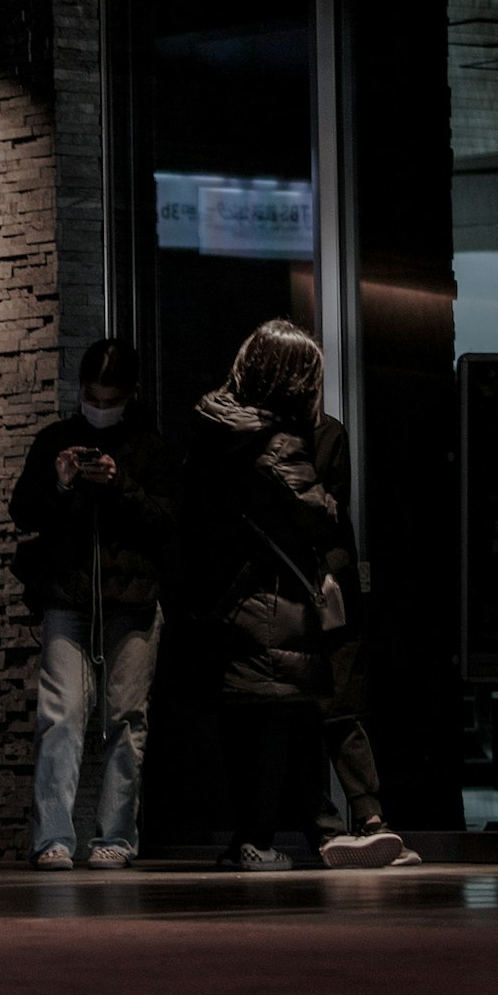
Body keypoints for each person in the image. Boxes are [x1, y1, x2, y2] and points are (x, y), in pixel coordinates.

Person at [181, 318, 420, 870]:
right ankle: (313, 832)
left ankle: (306, 830)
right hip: (283, 600)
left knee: (268, 723)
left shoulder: (213, 430)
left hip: (232, 604)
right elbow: (321, 517)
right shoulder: (287, 441)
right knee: (296, 715)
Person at [8, 338, 175, 869]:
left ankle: (116, 837)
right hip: (68, 596)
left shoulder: (151, 448)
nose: (99, 408)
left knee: (127, 719)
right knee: (60, 715)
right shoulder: (56, 439)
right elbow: (23, 511)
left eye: (109, 398)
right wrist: (60, 485)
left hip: (132, 600)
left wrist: (120, 484)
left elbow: (169, 523)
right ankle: (52, 837)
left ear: (129, 394)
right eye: (91, 396)